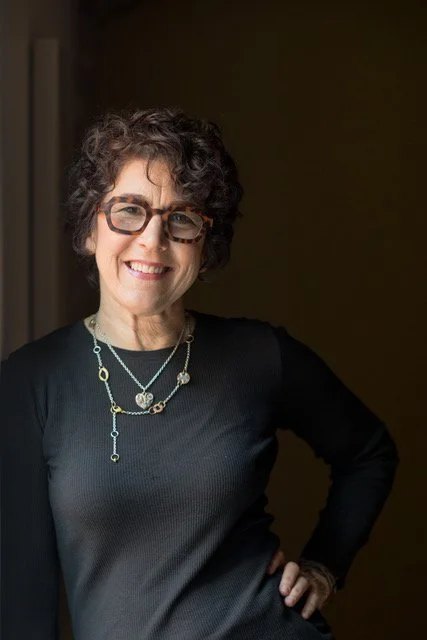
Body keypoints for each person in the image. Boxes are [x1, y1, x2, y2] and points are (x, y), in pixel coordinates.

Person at [1, 107, 399, 640]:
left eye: (182, 219)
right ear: (90, 228)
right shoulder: (30, 381)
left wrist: (324, 566)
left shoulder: (261, 356)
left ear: (206, 248)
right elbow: (22, 594)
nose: (152, 239)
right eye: (129, 211)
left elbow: (368, 452)